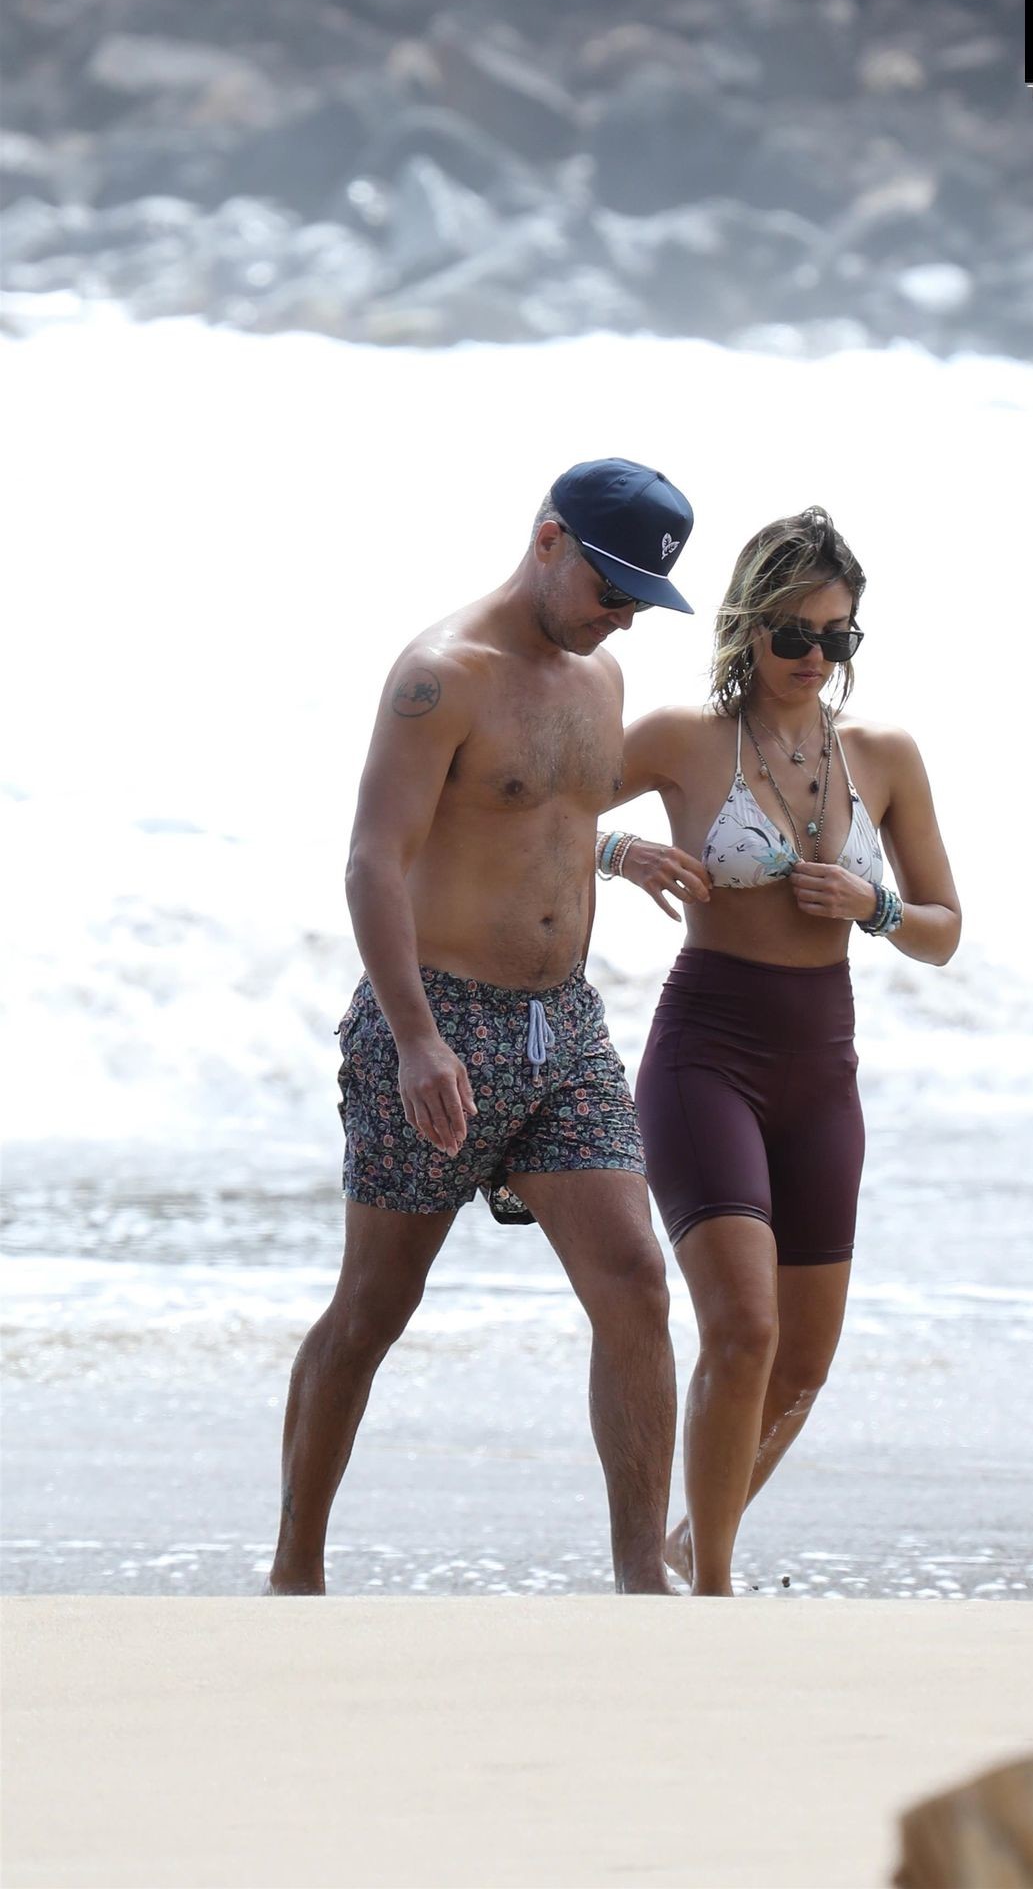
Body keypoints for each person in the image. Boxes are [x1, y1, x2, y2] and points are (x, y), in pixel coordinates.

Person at [266, 457, 697, 1597]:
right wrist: (416, 1041)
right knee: (374, 1308)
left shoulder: (600, 678)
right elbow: (375, 860)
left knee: (635, 1283)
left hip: (566, 1029)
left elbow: (539, 810)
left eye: (640, 601)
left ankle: (640, 1581)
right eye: (609, 589)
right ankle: (295, 1572)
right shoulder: (440, 675)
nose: (620, 618)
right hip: (437, 1018)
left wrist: (614, 849)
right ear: (548, 539)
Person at [604, 506, 961, 1596]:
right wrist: (621, 851)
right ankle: (712, 1593)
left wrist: (873, 905)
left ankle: (689, 1546)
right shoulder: (681, 739)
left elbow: (943, 930)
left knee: (802, 1364)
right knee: (744, 1329)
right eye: (794, 634)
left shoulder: (885, 757)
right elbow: (526, 809)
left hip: (822, 1069)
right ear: (747, 627)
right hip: (705, 1055)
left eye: (837, 636)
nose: (816, 656)